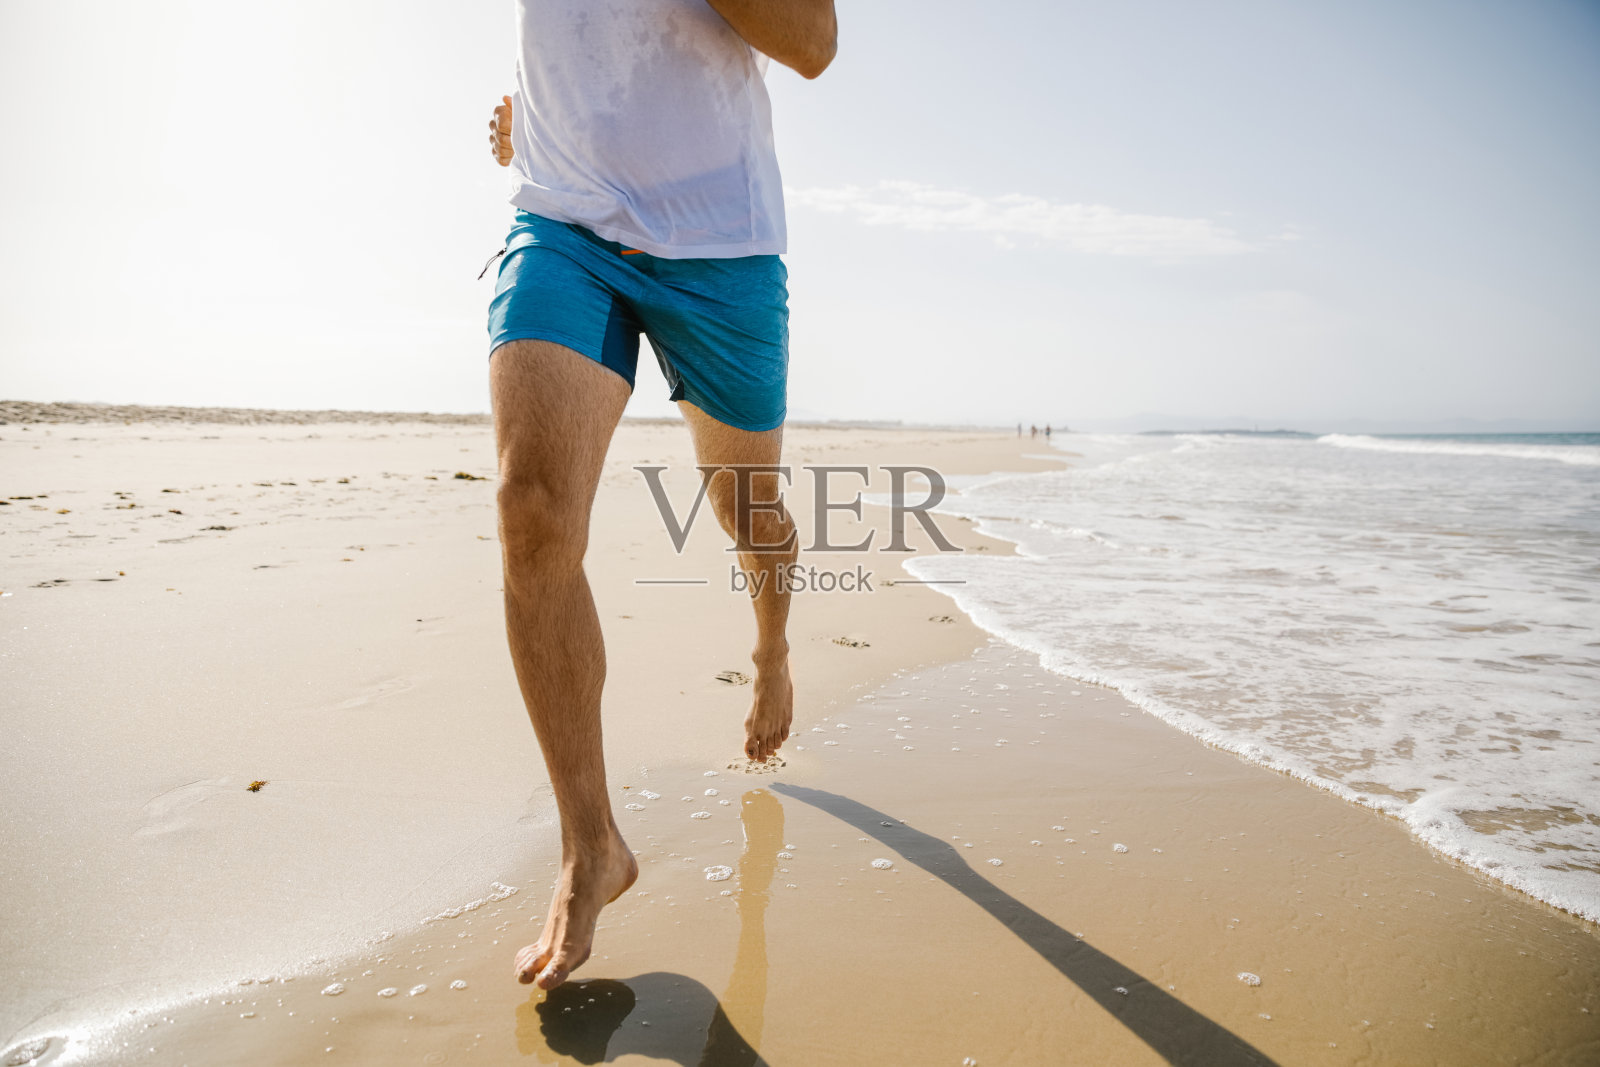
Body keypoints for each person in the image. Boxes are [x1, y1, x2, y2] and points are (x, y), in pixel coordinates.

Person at [482, 0, 838, 992]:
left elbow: (813, 41)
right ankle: (589, 842)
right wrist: (539, 107)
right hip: (563, 220)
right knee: (530, 506)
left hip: (721, 245)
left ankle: (771, 649)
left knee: (746, 515)